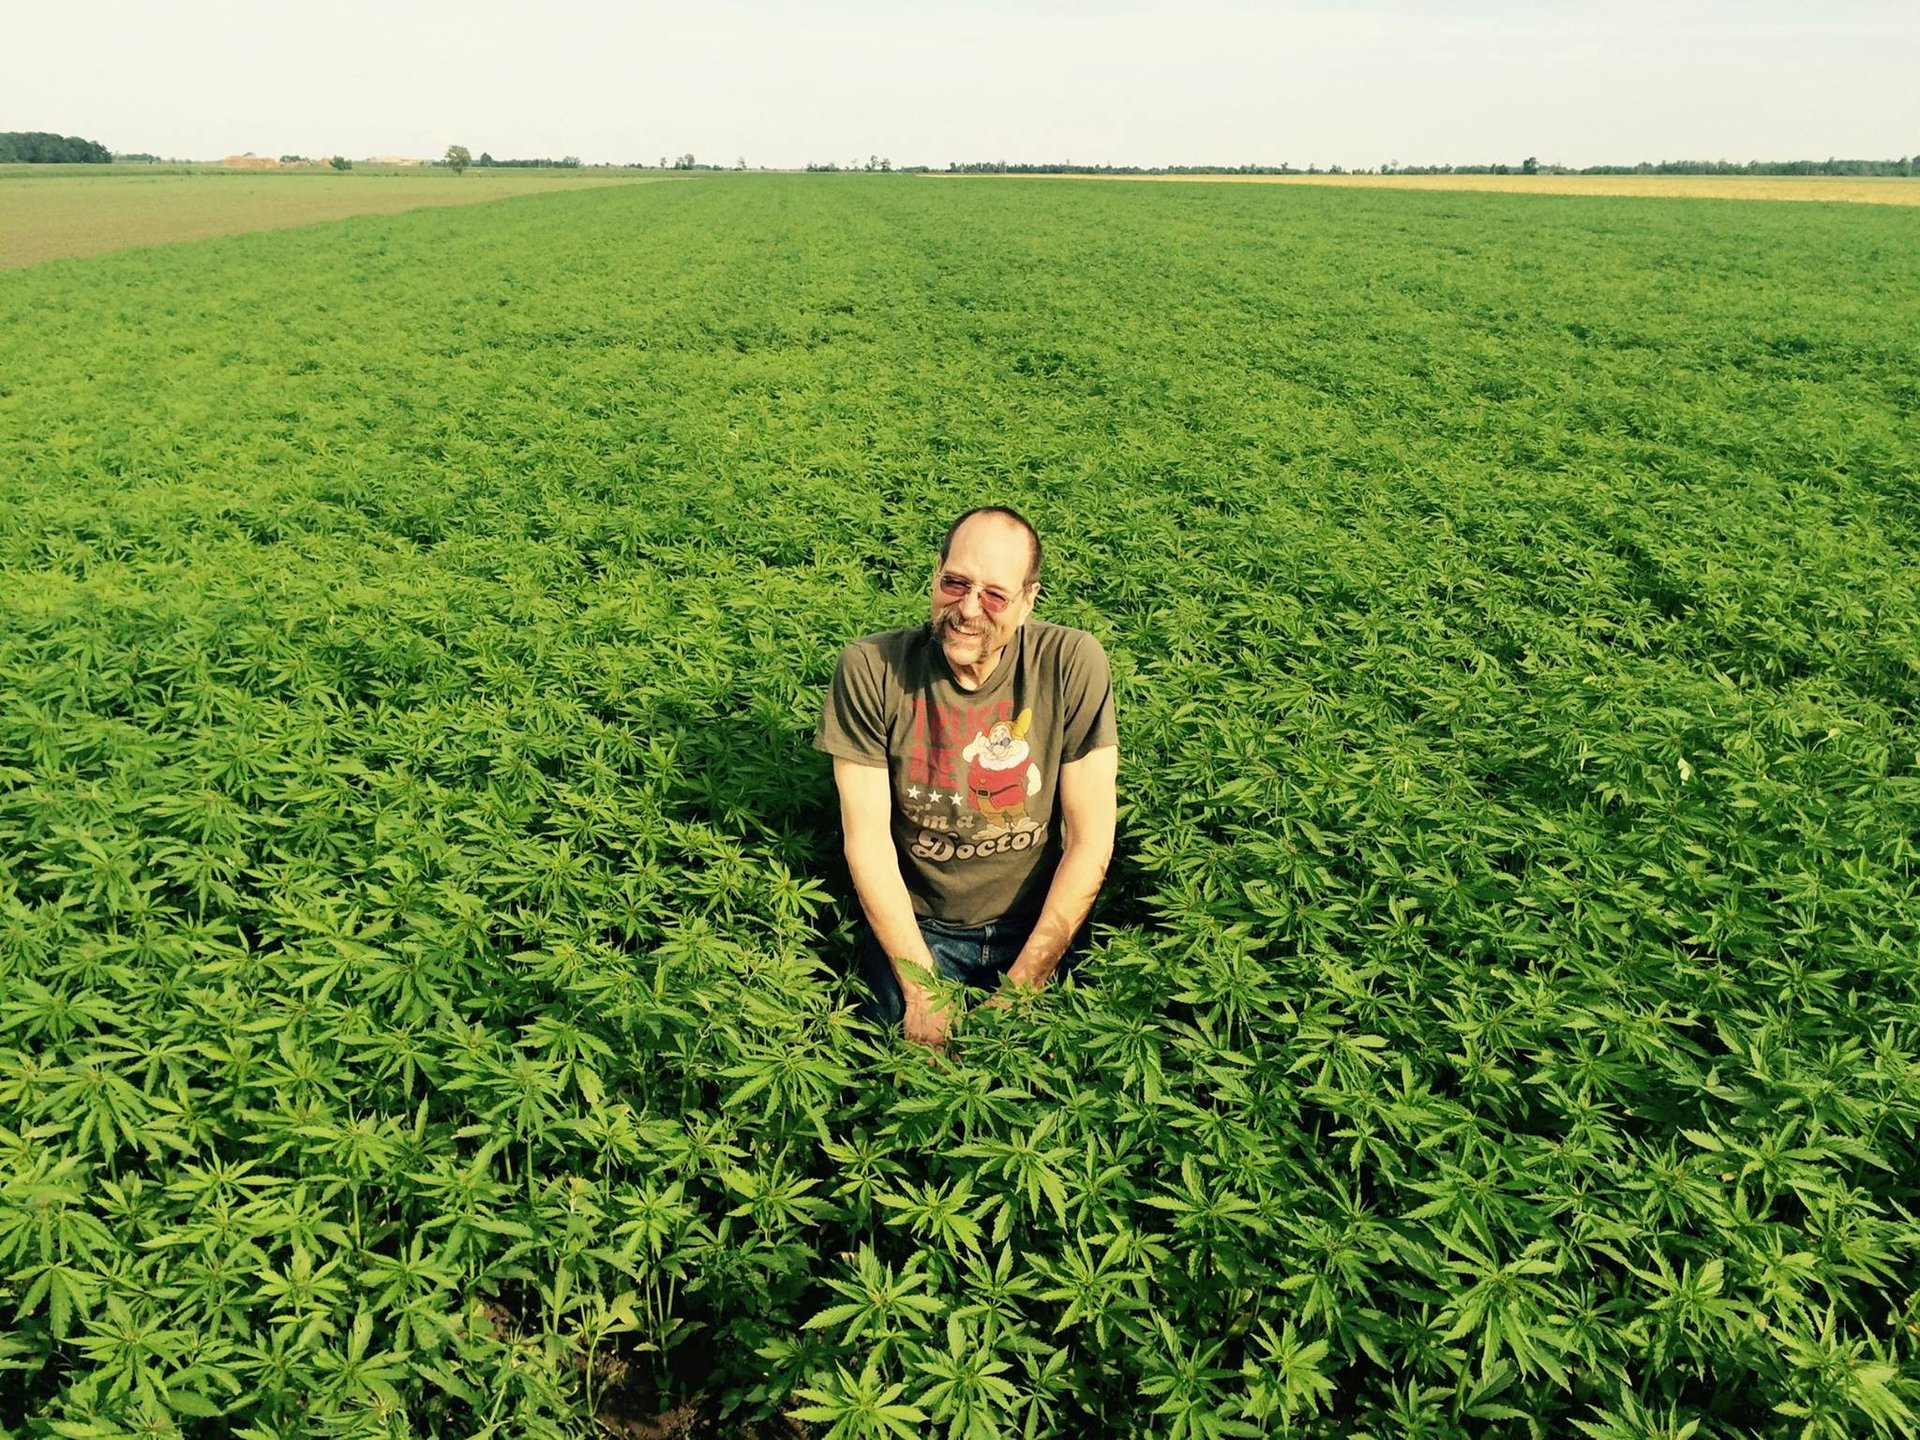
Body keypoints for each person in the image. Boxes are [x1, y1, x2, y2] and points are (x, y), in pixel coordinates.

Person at [814, 507, 1119, 1046]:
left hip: (1036, 919)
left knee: (1056, 1065)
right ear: (936, 575)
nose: (968, 609)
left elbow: (1090, 841)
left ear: (1028, 600)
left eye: (995, 595)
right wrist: (921, 988)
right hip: (921, 928)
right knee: (902, 1064)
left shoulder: (1071, 662)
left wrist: (1027, 984)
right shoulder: (871, 669)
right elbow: (868, 846)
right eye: (955, 583)